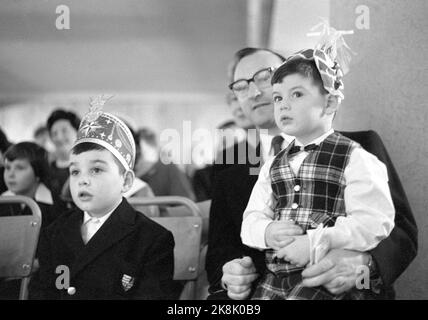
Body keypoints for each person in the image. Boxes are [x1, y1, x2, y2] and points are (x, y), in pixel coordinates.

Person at [206, 47, 417, 300]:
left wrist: (363, 265)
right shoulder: (228, 166)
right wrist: (232, 275)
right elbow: (220, 253)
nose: (254, 92)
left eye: (265, 77)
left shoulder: (358, 149)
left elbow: (400, 231)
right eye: (241, 85)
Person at [29, 97, 176, 299]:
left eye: (96, 170)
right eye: (75, 172)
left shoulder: (153, 240)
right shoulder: (54, 234)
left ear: (126, 181)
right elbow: (41, 293)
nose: (83, 180)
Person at [0, 142, 56, 299]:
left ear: (38, 172)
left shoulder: (55, 208)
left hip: (38, 281)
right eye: (7, 167)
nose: (10, 174)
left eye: (19, 168)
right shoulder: (2, 203)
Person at [135, 127, 196, 201]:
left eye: (138, 150)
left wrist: (160, 211)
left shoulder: (168, 170)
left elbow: (187, 206)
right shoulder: (130, 178)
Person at [46, 109, 81, 207]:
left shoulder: (88, 167)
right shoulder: (47, 171)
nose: (59, 137)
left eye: (64, 131)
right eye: (54, 133)